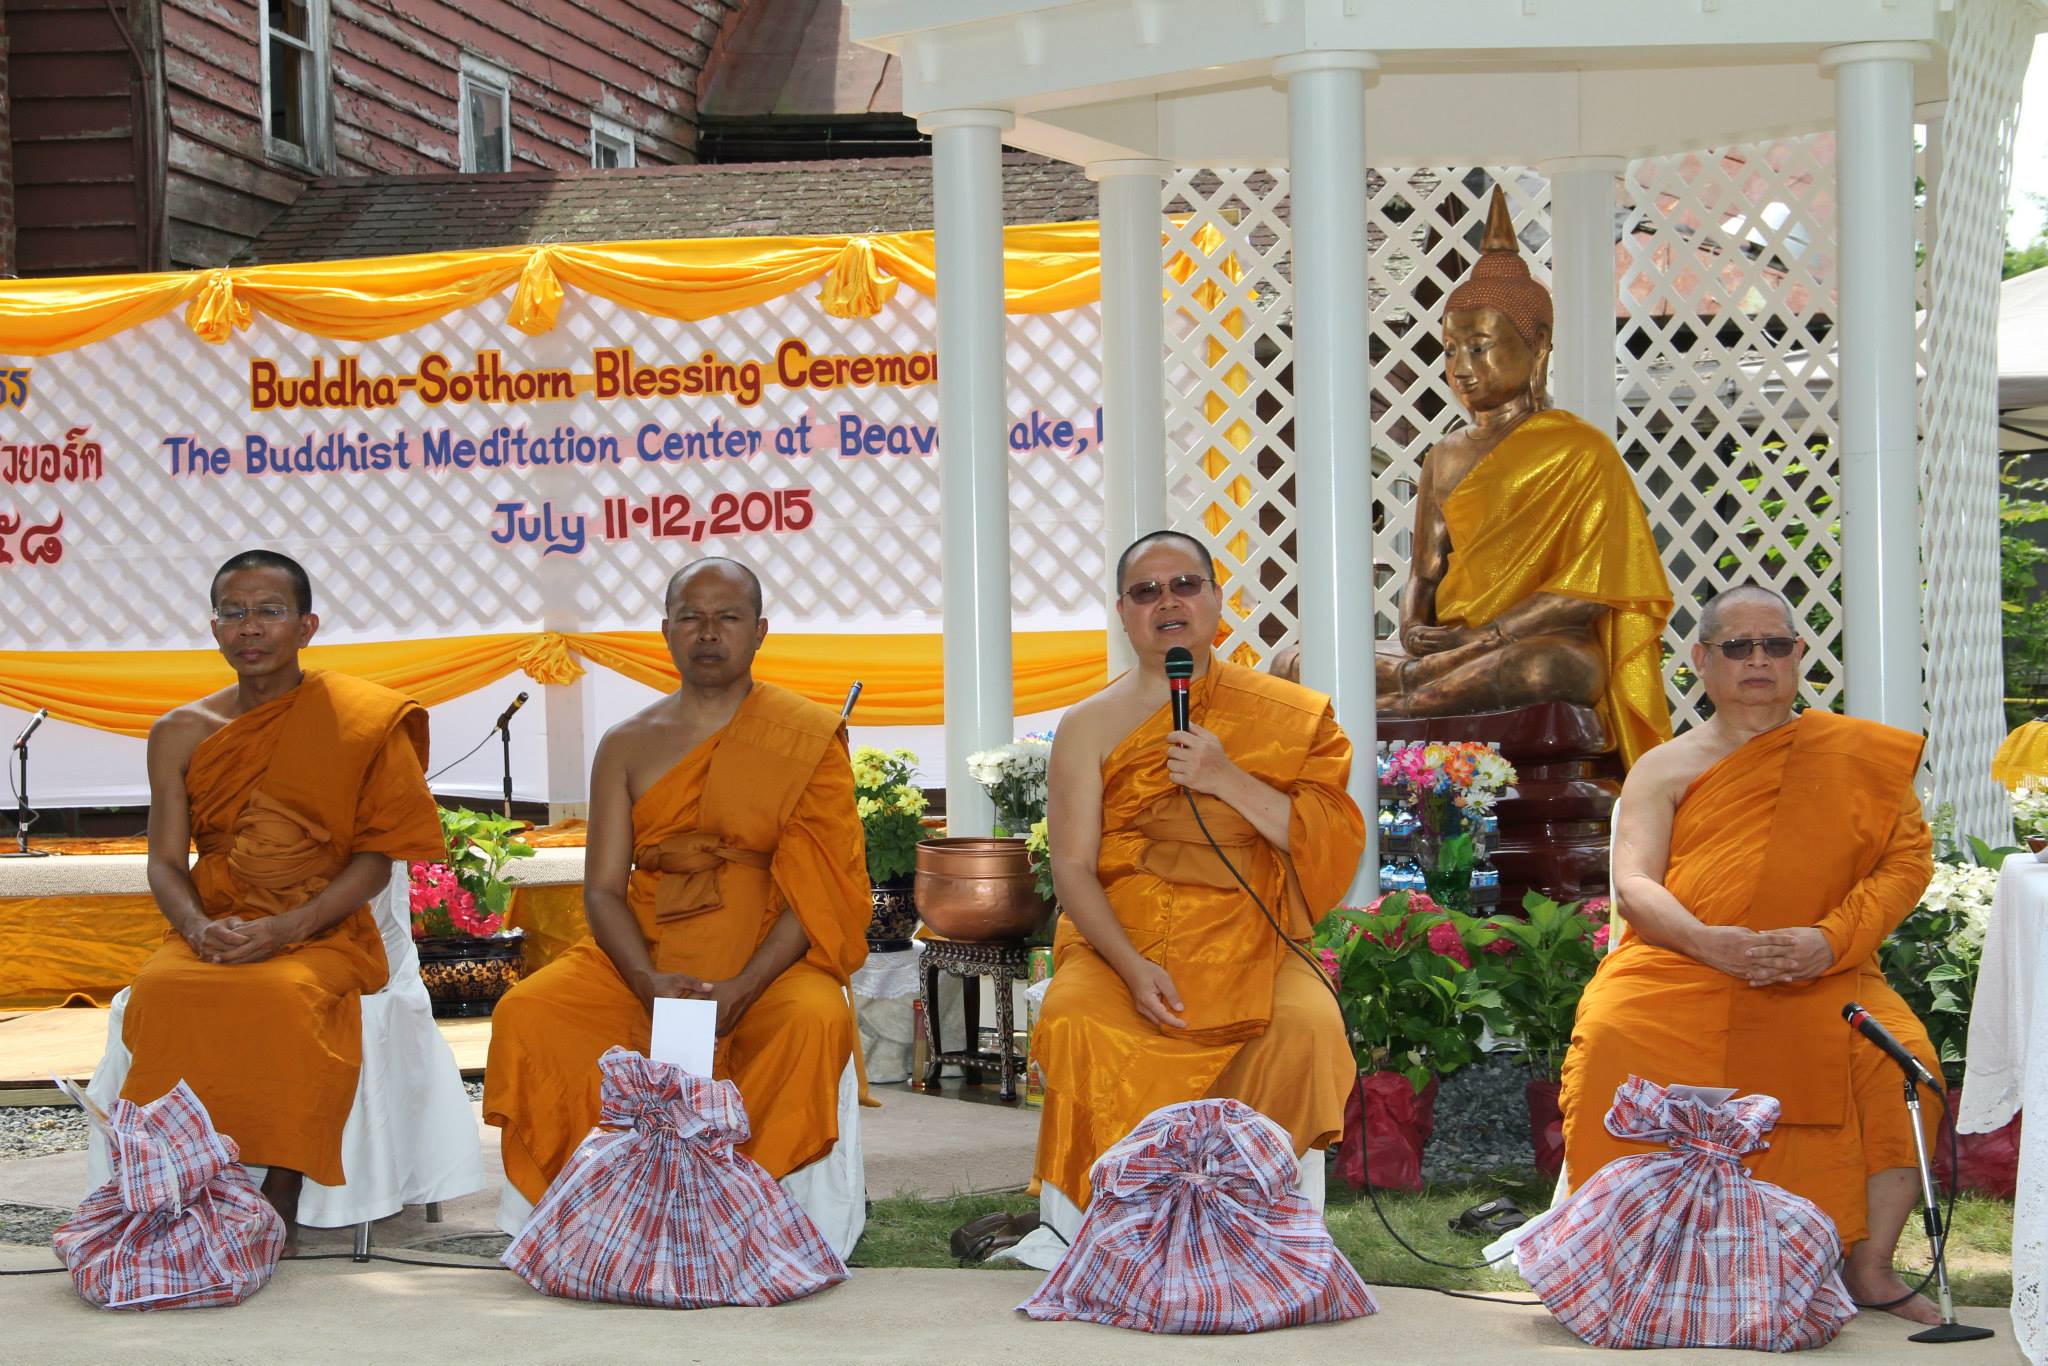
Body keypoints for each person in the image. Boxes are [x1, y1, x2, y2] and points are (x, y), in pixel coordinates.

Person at [1561, 583, 1943, 1322]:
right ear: (1702, 661)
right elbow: (1635, 885)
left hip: (1822, 968)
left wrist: (1827, 942)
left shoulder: (1860, 757)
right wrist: (1710, 943)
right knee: (1614, 1035)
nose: (1758, 660)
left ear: (1800, 656)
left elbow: (1905, 866)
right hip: (1683, 964)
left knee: (1906, 1066)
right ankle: (1628, 1262)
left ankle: (1869, 1268)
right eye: (1738, 647)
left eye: (1776, 645)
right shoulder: (1664, 766)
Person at [484, 558, 868, 1211]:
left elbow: (820, 890)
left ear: (759, 631)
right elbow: (603, 890)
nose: (708, 633)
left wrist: (745, 988)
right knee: (531, 1012)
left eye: (727, 618)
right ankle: (603, 1202)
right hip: (647, 950)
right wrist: (643, 982)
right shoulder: (627, 743)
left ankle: (740, 1204)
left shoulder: (804, 735)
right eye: (691, 617)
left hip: (767, 958)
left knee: (814, 1018)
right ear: (666, 631)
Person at [1029, 530, 1365, 1229]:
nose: (1167, 602)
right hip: (1125, 935)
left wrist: (1224, 778)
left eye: (1185, 585)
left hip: (1254, 934)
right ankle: (1112, 1224)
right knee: (1076, 1018)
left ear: (1216, 600)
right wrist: (1128, 965)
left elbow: (1329, 837)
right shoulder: (1087, 726)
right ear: (1123, 613)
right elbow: (1071, 867)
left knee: (1306, 1025)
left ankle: (1259, 1220)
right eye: (1145, 591)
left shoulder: (1287, 712)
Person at [125, 549, 445, 1251]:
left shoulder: (356, 720)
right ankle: (176, 1179)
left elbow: (375, 861)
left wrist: (285, 929)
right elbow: (163, 861)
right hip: (215, 925)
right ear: (214, 628)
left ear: (306, 626)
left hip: (323, 929)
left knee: (284, 995)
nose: (250, 628)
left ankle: (281, 1183)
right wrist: (199, 929)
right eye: (234, 613)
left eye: (269, 612)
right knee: (161, 990)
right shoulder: (179, 731)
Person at [1367, 186, 1672, 767]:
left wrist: (1484, 638)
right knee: (1296, 662)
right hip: (1448, 650)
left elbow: (1586, 593)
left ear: (1537, 347)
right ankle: (1416, 690)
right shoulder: (1445, 454)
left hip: (1526, 645)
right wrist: (1412, 628)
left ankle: (1410, 699)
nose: (1462, 369)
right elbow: (1425, 573)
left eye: (1480, 348)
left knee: (1548, 669)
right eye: (1451, 350)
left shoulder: (1580, 450)